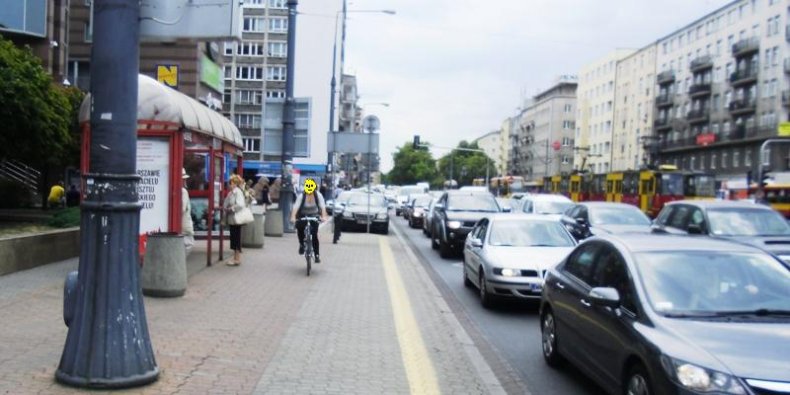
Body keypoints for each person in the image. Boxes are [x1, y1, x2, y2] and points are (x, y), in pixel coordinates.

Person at [290, 178, 328, 263]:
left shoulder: (318, 195)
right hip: (303, 215)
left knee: (314, 234)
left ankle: (317, 255)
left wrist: (324, 216)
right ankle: (301, 244)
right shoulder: (301, 196)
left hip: (314, 215)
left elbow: (322, 207)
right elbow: (296, 207)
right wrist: (293, 217)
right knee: (299, 228)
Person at [223, 174, 248, 266]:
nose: (230, 184)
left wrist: (231, 208)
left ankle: (236, 259)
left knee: (236, 238)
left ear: (235, 184)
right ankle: (236, 258)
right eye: (230, 183)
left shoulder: (237, 192)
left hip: (236, 219)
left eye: (232, 183)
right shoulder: (232, 192)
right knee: (234, 238)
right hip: (233, 219)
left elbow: (240, 204)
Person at [181, 169, 195, 256]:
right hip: (185, 224)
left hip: (182, 224)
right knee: (189, 243)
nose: (185, 181)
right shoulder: (183, 191)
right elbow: (182, 209)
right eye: (184, 179)